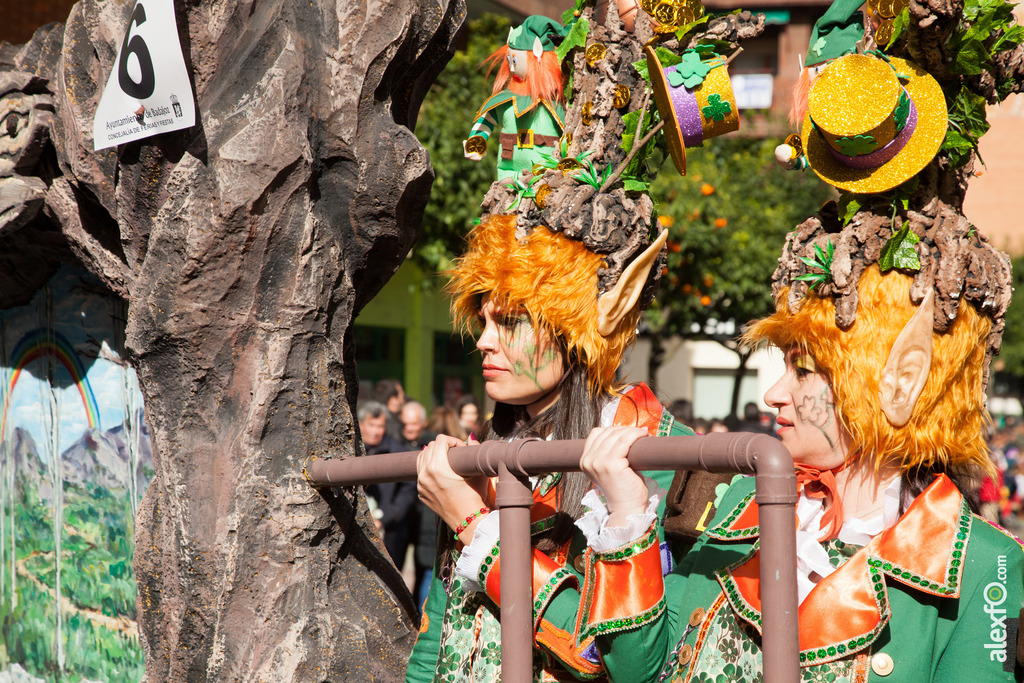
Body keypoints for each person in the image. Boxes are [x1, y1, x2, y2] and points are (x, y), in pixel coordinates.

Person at [567, 263, 1024, 680]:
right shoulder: (739, 502)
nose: (773, 393)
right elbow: (638, 671)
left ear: (895, 383)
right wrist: (627, 510)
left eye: (802, 370)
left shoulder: (985, 563)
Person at [405, 214, 732, 682]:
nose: (483, 341)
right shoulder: (486, 449)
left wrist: (476, 526)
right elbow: (435, 640)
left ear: (576, 331)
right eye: (484, 320)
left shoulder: (661, 456)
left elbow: (614, 658)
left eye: (511, 322)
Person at [360, 400, 417, 569]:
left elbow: (408, 490)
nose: (376, 431)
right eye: (371, 425)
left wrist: (387, 517)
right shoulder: (351, 448)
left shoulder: (397, 451)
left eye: (380, 426)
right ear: (361, 424)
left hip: (390, 531)